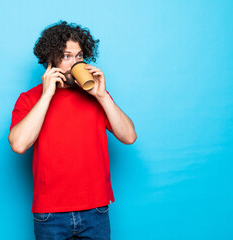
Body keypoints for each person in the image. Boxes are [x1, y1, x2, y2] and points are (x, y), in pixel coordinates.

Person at [8, 20, 137, 240]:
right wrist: (47, 95)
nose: (75, 63)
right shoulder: (30, 99)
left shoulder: (97, 96)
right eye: (67, 56)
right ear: (51, 58)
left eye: (79, 56)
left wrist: (102, 96)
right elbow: (19, 145)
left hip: (95, 209)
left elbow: (129, 136)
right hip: (50, 214)